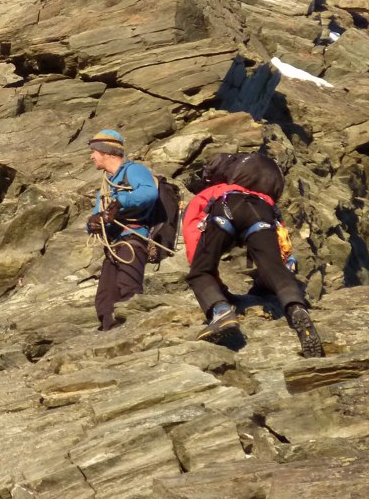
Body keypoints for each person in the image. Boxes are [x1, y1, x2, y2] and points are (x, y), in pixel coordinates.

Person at [182, 152, 324, 357]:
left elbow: (192, 225)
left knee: (199, 272)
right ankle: (296, 308)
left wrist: (202, 268)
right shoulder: (268, 201)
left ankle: (221, 313)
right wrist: (283, 267)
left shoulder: (218, 189)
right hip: (261, 214)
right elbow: (282, 243)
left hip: (226, 208)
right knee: (274, 271)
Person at [84, 129, 159, 331]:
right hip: (115, 244)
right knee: (104, 299)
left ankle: (136, 331)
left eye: (94, 152)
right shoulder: (106, 185)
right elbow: (97, 213)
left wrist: (120, 202)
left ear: (106, 152)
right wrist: (93, 224)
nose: (91, 156)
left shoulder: (134, 170)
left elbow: (148, 192)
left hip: (133, 238)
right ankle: (110, 332)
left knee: (128, 287)